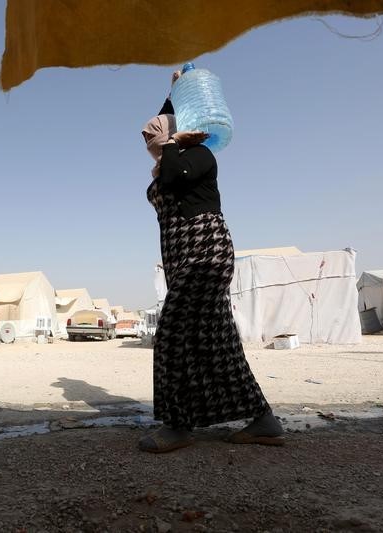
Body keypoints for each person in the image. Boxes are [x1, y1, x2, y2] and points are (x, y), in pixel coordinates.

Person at [138, 71, 284, 453]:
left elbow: (171, 168)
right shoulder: (170, 157)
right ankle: (262, 419)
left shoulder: (198, 156)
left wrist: (172, 138)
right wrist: (175, 91)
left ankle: (177, 425)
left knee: (173, 335)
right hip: (183, 259)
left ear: (178, 133)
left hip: (204, 254)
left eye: (158, 129)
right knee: (215, 341)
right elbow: (165, 120)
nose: (148, 131)